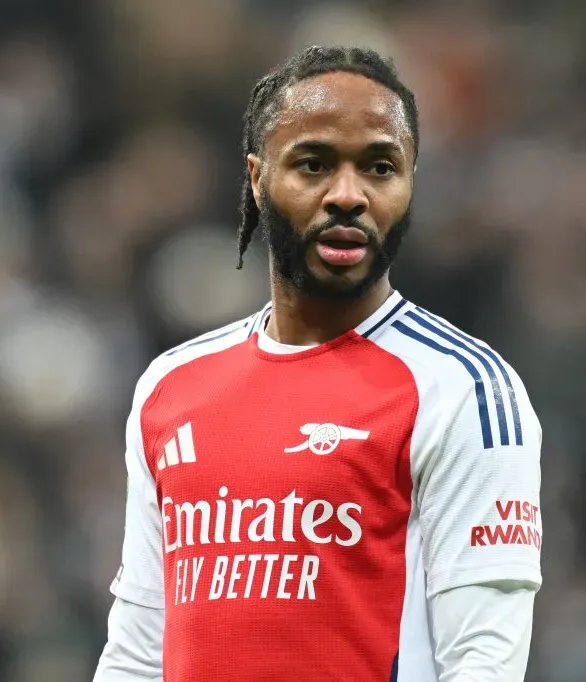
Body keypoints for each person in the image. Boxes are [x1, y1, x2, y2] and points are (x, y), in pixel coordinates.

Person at [93, 45, 543, 682]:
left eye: (380, 168)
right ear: (256, 176)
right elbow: (138, 654)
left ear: (411, 181)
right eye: (313, 165)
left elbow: (483, 664)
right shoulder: (172, 386)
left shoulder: (465, 389)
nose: (348, 196)